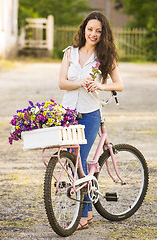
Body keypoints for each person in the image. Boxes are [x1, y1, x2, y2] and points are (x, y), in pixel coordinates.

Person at [59, 11, 124, 230]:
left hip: (89, 112)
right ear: (83, 29)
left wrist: (100, 86)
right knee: (71, 160)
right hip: (68, 112)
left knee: (80, 159)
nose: (93, 34)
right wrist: (79, 83)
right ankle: (85, 211)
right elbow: (61, 83)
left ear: (103, 33)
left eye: (98, 31)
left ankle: (84, 215)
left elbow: (119, 84)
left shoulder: (104, 57)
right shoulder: (70, 53)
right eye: (90, 29)